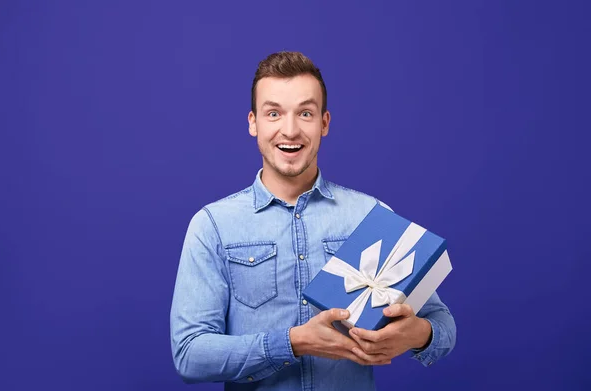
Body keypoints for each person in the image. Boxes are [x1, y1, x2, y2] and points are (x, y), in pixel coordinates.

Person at [169, 51, 456, 391]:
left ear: (324, 122)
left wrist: (416, 335)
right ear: (253, 122)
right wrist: (292, 342)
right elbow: (189, 354)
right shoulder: (212, 226)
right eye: (273, 113)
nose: (289, 130)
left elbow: (442, 325)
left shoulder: (370, 215)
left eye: (305, 113)